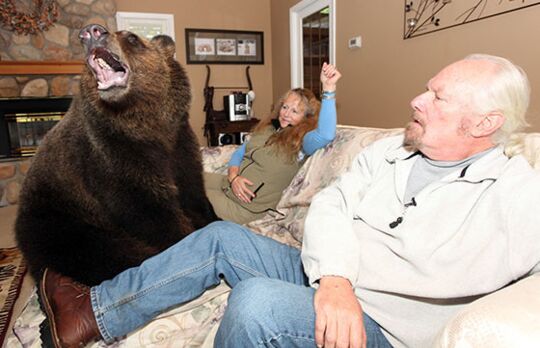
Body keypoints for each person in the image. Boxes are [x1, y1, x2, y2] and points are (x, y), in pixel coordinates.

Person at [40, 54, 540, 348]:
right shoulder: (394, 151)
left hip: (387, 329)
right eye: (426, 90)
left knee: (258, 302)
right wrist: (336, 279)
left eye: (438, 97)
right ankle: (92, 313)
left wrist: (342, 284)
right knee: (219, 238)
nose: (417, 100)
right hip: (336, 278)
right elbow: (330, 204)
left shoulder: (518, 193)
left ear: (484, 124)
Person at [204, 63, 341, 224]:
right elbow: (240, 152)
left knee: (184, 200)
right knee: (181, 179)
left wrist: (328, 88)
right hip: (227, 184)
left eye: (294, 111)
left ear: (306, 118)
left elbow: (325, 134)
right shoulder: (269, 128)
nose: (286, 114)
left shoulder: (302, 142)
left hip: (243, 207)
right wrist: (234, 177)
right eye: (285, 107)